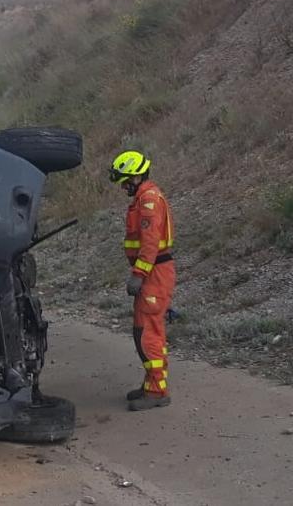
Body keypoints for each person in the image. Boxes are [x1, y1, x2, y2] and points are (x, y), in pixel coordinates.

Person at [109, 150, 176, 411]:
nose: (123, 186)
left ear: (136, 177)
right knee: (142, 330)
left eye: (125, 181)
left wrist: (139, 275)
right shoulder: (142, 199)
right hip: (152, 272)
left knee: (149, 332)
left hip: (153, 273)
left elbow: (149, 243)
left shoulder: (148, 200)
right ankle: (151, 384)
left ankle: (158, 391)